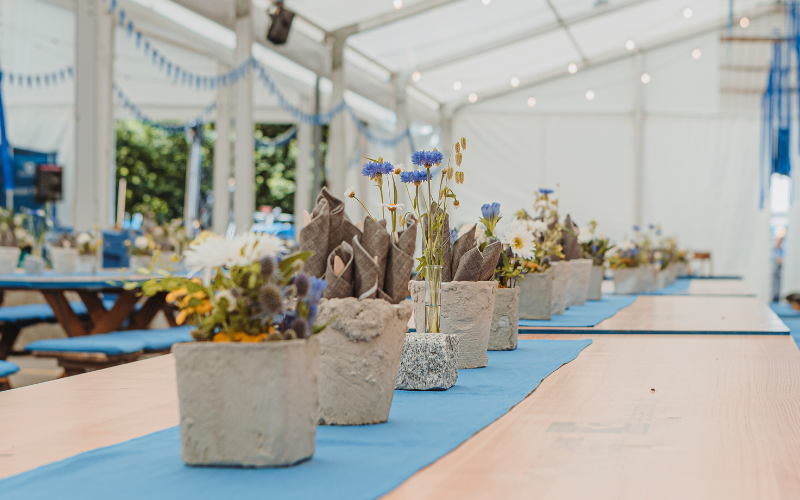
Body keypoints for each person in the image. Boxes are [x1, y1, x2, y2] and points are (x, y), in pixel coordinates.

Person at [772, 236, 785, 302]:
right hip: (775, 269)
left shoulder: (782, 250)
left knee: (778, 283)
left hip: (779, 269)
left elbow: (781, 260)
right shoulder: (774, 250)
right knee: (774, 283)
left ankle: (777, 296)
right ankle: (774, 296)